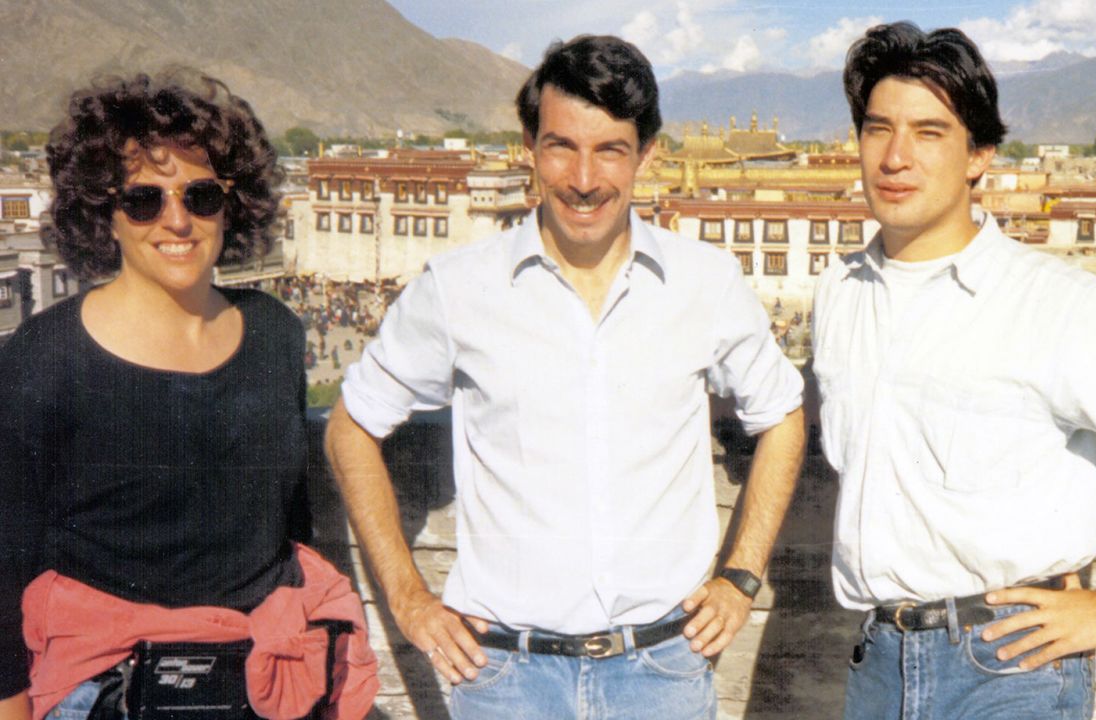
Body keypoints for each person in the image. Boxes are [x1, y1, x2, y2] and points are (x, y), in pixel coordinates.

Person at [325, 34, 806, 719]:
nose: (584, 178)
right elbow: (350, 427)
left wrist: (740, 576)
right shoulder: (458, 289)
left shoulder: (707, 284)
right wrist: (406, 598)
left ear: (647, 155)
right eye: (561, 146)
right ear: (530, 146)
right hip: (504, 680)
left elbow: (782, 415)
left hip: (663, 671)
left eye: (610, 149)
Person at [813, 22, 1096, 719]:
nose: (896, 157)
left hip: (1010, 668)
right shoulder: (840, 294)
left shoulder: (1053, 302)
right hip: (876, 663)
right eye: (879, 129)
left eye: (930, 133)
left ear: (979, 156)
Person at [0, 69, 377, 720]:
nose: (177, 220)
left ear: (233, 203)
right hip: (106, 693)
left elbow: (284, 528)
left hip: (267, 688)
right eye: (144, 199)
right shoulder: (44, 358)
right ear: (104, 212)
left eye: (201, 196)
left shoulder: (274, 335)